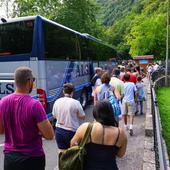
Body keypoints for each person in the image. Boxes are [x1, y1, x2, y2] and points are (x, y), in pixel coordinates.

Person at [0, 66, 54, 170]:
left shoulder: (3, 102)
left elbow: (1, 130)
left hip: (10, 158)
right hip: (32, 158)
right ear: (29, 82)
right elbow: (50, 135)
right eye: (33, 80)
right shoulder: (35, 105)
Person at [71, 100, 127, 170]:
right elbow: (120, 154)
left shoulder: (86, 128)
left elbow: (72, 145)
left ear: (95, 113)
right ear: (111, 114)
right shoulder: (120, 133)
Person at [52, 83, 85, 151]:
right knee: (73, 154)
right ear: (72, 92)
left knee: (62, 154)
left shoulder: (57, 101)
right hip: (72, 132)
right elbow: (82, 116)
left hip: (59, 131)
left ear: (63, 92)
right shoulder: (75, 102)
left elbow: (54, 116)